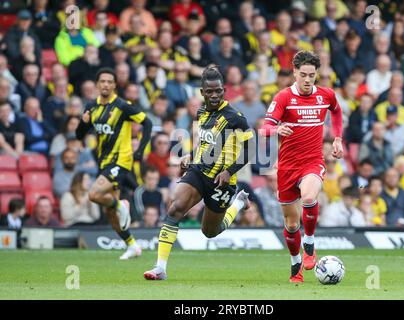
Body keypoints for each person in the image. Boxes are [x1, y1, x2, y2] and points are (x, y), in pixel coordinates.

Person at [144, 66, 253, 280]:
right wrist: (189, 156)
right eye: (209, 92)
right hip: (199, 170)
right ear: (202, 92)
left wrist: (229, 171)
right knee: (176, 208)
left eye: (218, 91)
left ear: (224, 91)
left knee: (211, 231)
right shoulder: (201, 112)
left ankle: (238, 202)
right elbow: (204, 143)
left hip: (222, 181)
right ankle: (160, 268)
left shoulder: (235, 118)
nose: (214, 95)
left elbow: (249, 150)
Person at [259, 50, 343, 283]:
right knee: (291, 222)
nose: (307, 80)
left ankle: (310, 241)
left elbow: (336, 111)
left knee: (308, 197)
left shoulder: (325, 95)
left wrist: (337, 138)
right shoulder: (283, 97)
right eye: (303, 74)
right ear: (294, 72)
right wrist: (276, 129)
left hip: (312, 162)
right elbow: (263, 128)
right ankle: (295, 263)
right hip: (287, 167)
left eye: (312, 75)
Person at [75, 68, 152, 260]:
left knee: (94, 194)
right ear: (97, 84)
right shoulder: (91, 106)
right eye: (103, 81)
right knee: (110, 212)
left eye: (110, 81)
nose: (106, 85)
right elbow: (79, 135)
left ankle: (121, 204)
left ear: (115, 85)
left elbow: (147, 122)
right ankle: (132, 245)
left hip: (121, 160)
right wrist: (83, 123)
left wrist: (140, 150)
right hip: (104, 161)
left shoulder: (123, 106)